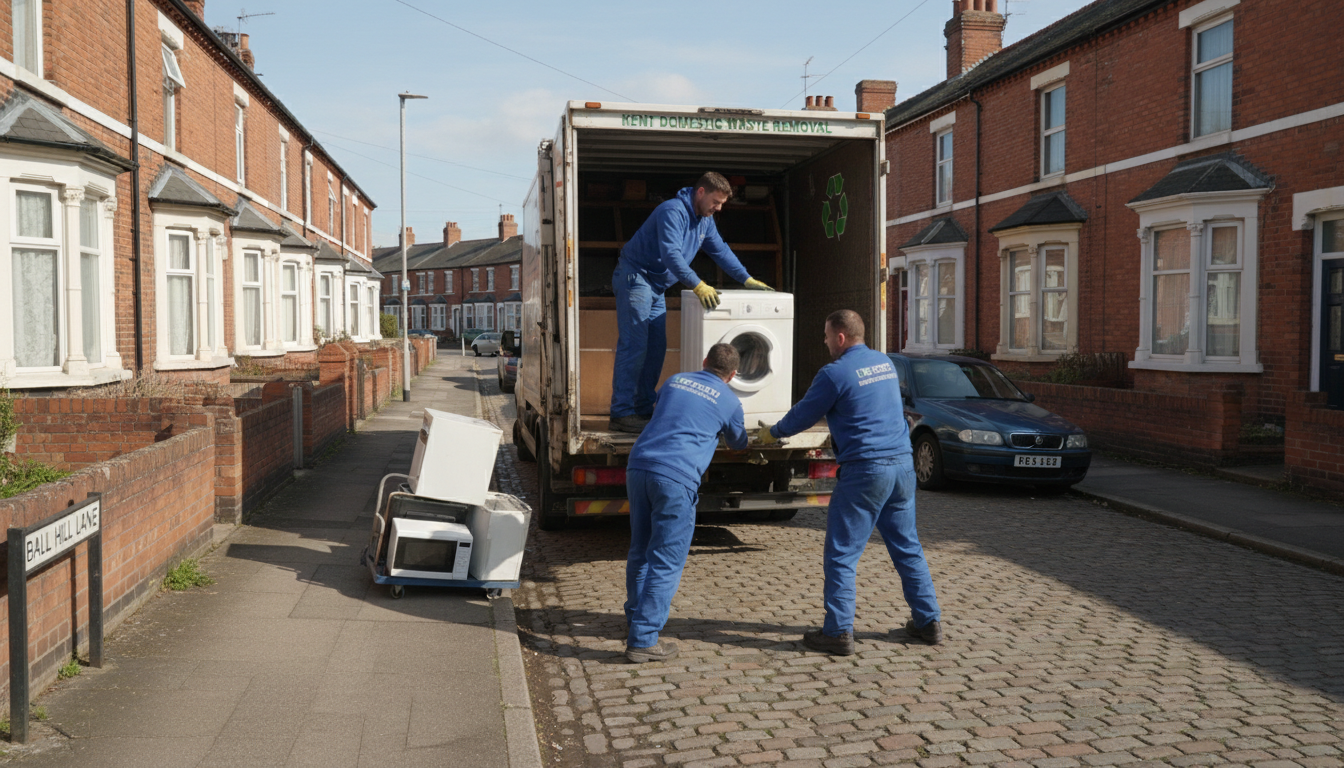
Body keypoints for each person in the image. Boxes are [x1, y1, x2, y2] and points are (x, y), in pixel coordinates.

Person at [756, 310, 942, 655]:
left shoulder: (834, 373)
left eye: (827, 336)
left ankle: (838, 632)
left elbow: (804, 415)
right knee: (907, 547)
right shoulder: (885, 364)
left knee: (841, 553)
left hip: (865, 471)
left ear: (840, 337)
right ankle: (928, 622)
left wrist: (772, 433)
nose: (825, 342)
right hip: (902, 465)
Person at [609, 172, 773, 433]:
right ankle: (621, 413)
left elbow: (720, 250)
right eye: (716, 202)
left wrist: (746, 278)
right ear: (701, 192)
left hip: (656, 287)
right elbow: (671, 254)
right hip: (636, 278)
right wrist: (697, 284)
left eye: (721, 204)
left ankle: (641, 409)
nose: (718, 208)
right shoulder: (672, 211)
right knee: (635, 346)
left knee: (656, 349)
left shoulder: (704, 220)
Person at [624, 343, 749, 663]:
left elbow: (665, 412)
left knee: (640, 549)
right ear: (733, 375)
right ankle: (643, 639)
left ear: (704, 361)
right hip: (676, 478)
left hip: (639, 466)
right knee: (665, 560)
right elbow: (738, 443)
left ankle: (636, 618)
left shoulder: (674, 380)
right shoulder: (731, 401)